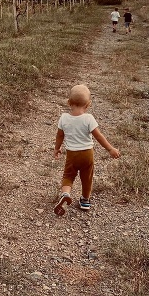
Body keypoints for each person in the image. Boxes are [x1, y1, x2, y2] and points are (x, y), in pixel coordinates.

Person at [53, 84, 120, 215]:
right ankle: (85, 200)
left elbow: (59, 135)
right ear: (88, 104)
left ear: (68, 102)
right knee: (86, 177)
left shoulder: (64, 118)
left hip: (72, 154)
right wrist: (110, 149)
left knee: (68, 175)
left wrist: (57, 148)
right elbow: (99, 136)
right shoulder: (89, 119)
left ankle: (65, 193)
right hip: (87, 154)